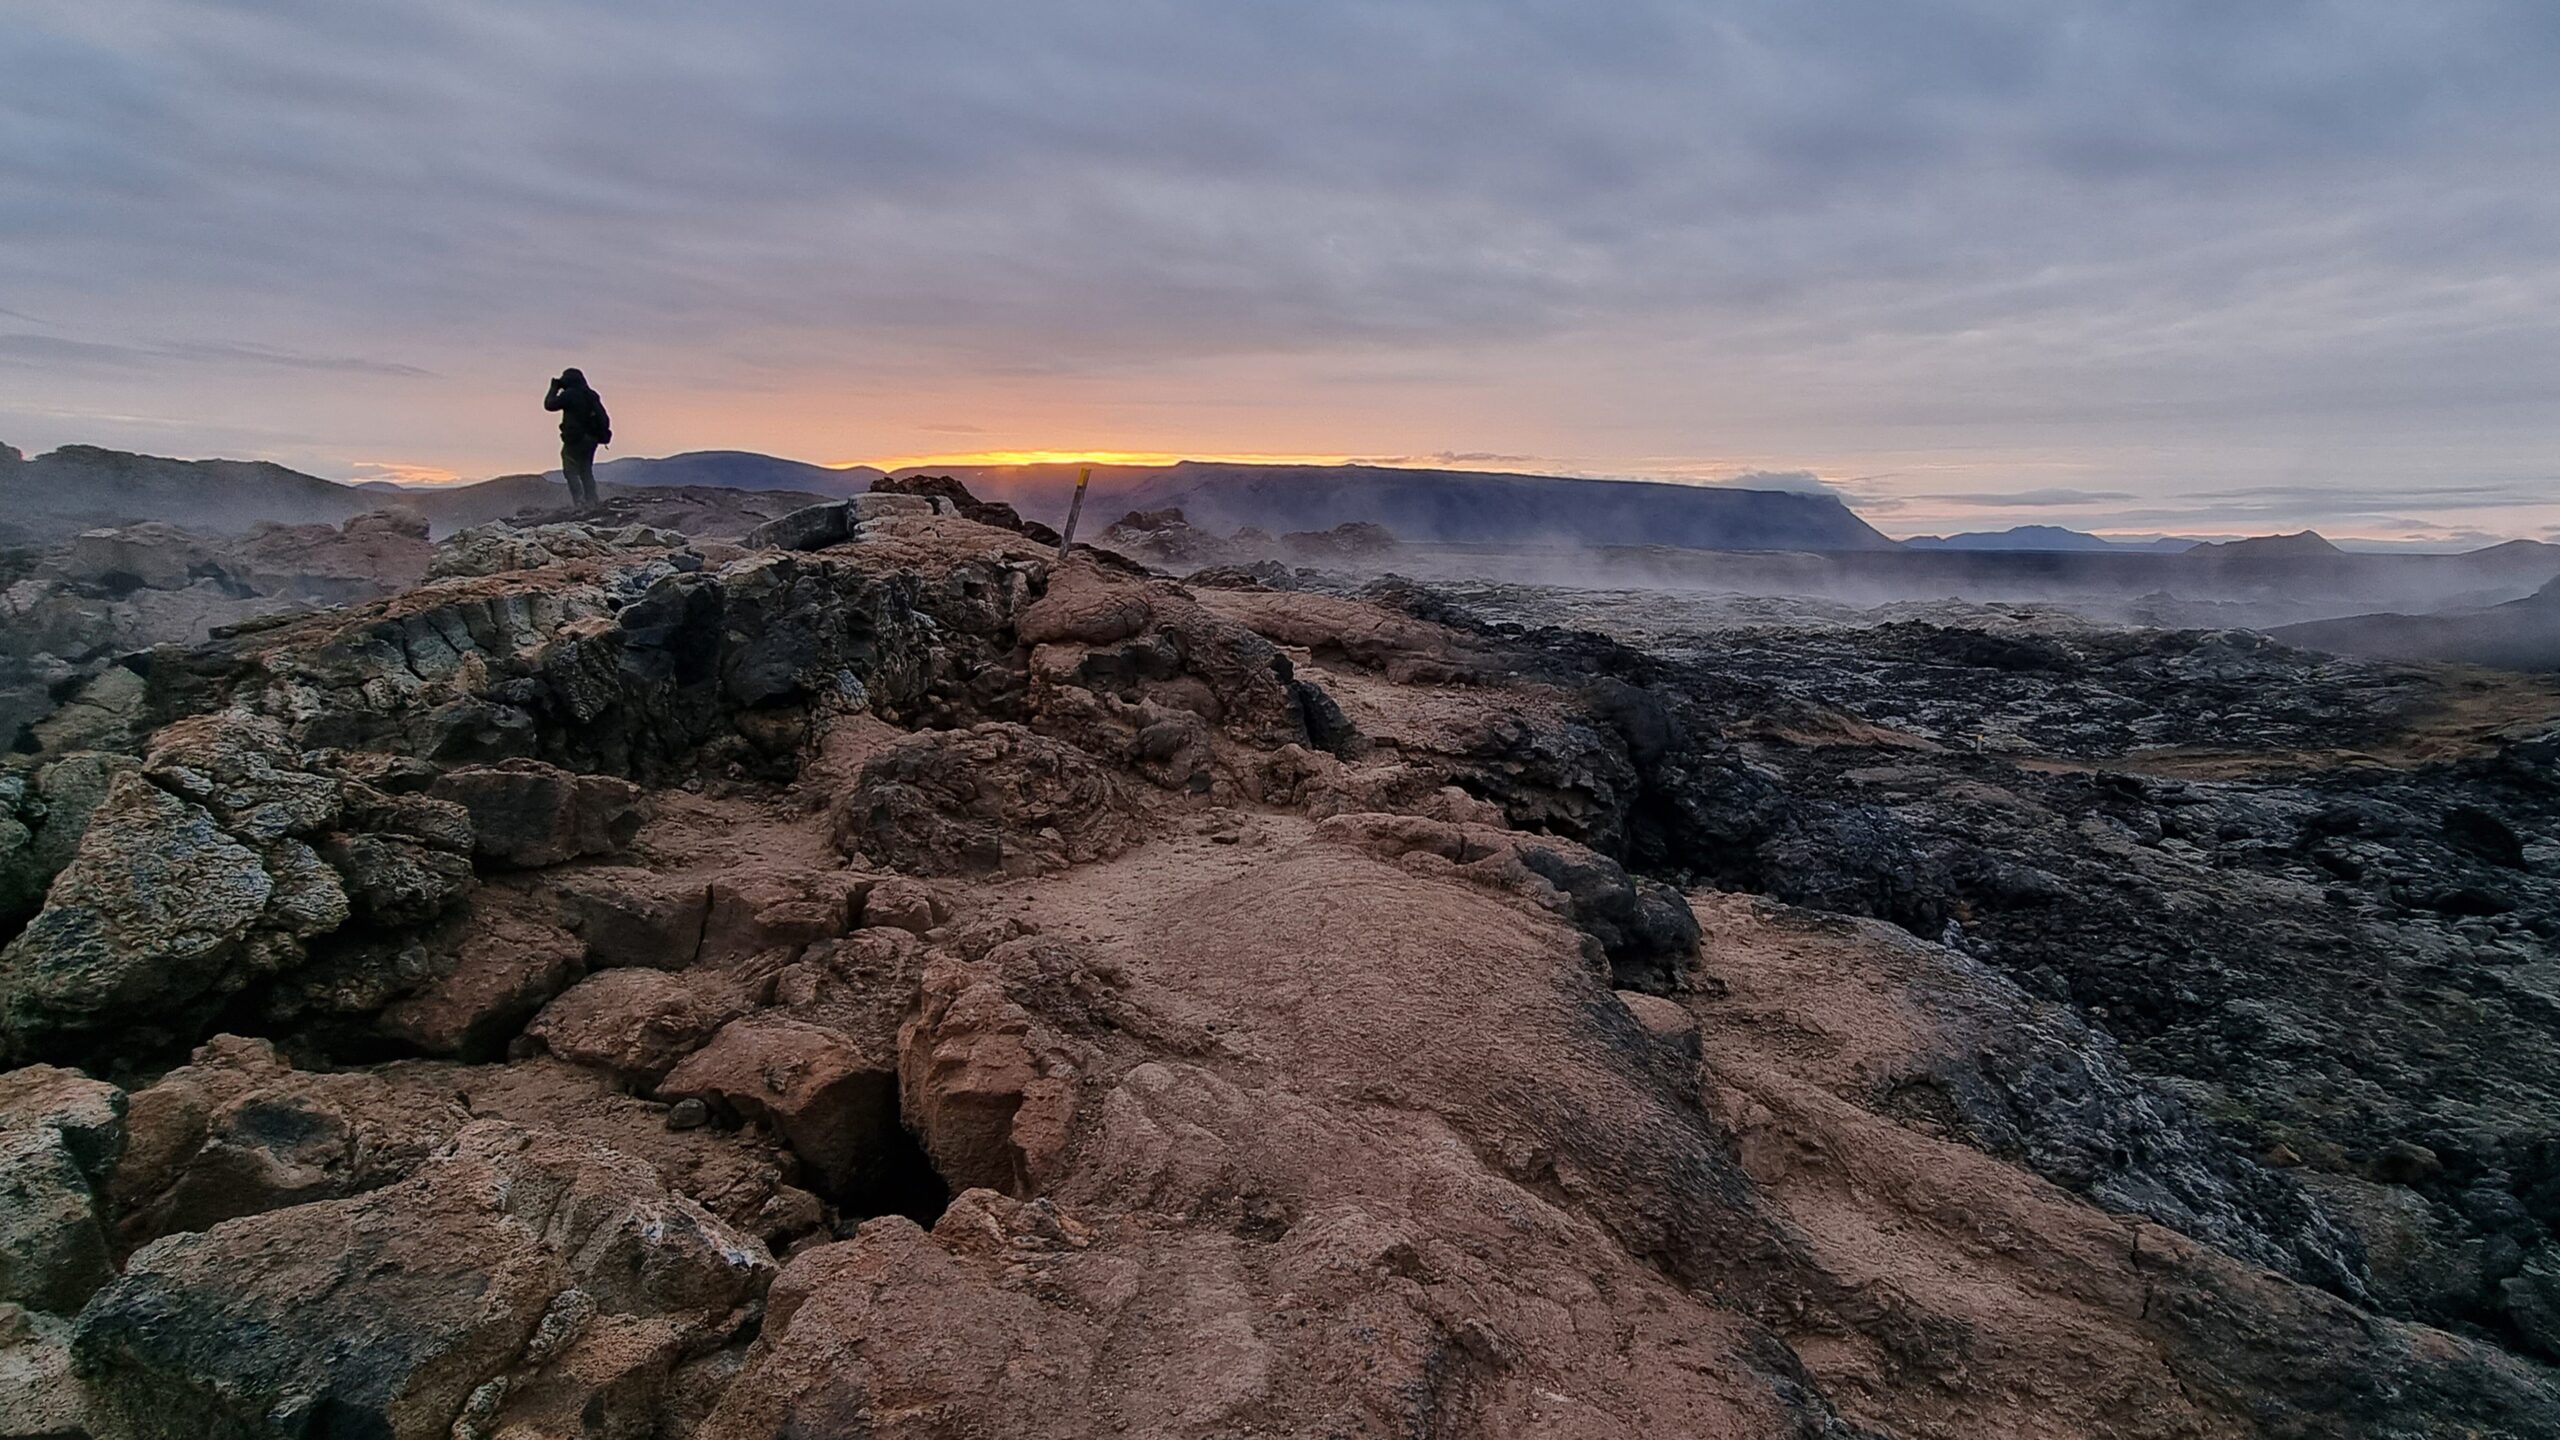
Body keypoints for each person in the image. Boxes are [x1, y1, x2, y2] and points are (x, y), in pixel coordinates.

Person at [543, 368, 612, 510]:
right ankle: (592, 500)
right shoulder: (591, 395)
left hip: (575, 439)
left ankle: (579, 502)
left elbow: (549, 405)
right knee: (586, 470)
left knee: (571, 470)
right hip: (592, 439)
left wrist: (554, 388)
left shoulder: (570, 395)